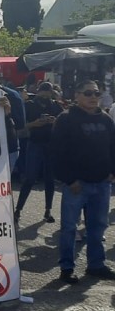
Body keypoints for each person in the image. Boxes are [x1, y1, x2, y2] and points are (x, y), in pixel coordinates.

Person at [52, 80, 115, 284]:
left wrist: (112, 173)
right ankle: (67, 268)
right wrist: (70, 180)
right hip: (77, 185)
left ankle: (96, 265)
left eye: (97, 93)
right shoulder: (66, 119)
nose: (93, 97)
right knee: (69, 228)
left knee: (98, 227)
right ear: (77, 95)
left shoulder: (105, 119)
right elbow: (57, 152)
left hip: (102, 183)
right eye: (88, 93)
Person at [14, 82, 64, 224]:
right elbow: (23, 126)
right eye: (43, 92)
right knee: (30, 178)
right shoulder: (30, 105)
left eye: (48, 93)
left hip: (50, 145)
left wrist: (54, 122)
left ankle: (48, 211)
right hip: (34, 143)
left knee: (49, 180)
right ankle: (18, 210)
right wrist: (35, 123)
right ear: (39, 91)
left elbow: (62, 123)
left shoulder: (55, 105)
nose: (45, 95)